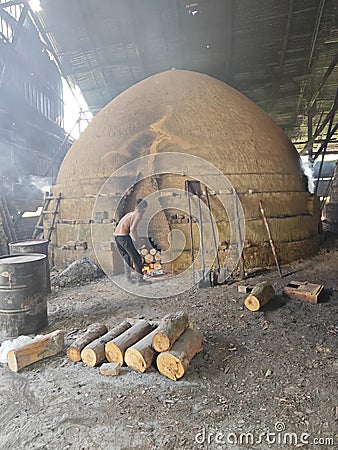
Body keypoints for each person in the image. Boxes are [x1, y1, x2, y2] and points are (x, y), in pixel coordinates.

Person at [114, 199, 150, 285]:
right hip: (123, 237)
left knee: (126, 257)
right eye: (145, 208)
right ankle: (140, 281)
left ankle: (128, 279)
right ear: (143, 208)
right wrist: (137, 241)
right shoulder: (138, 215)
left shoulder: (130, 214)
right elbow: (132, 230)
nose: (145, 210)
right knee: (137, 258)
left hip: (116, 236)